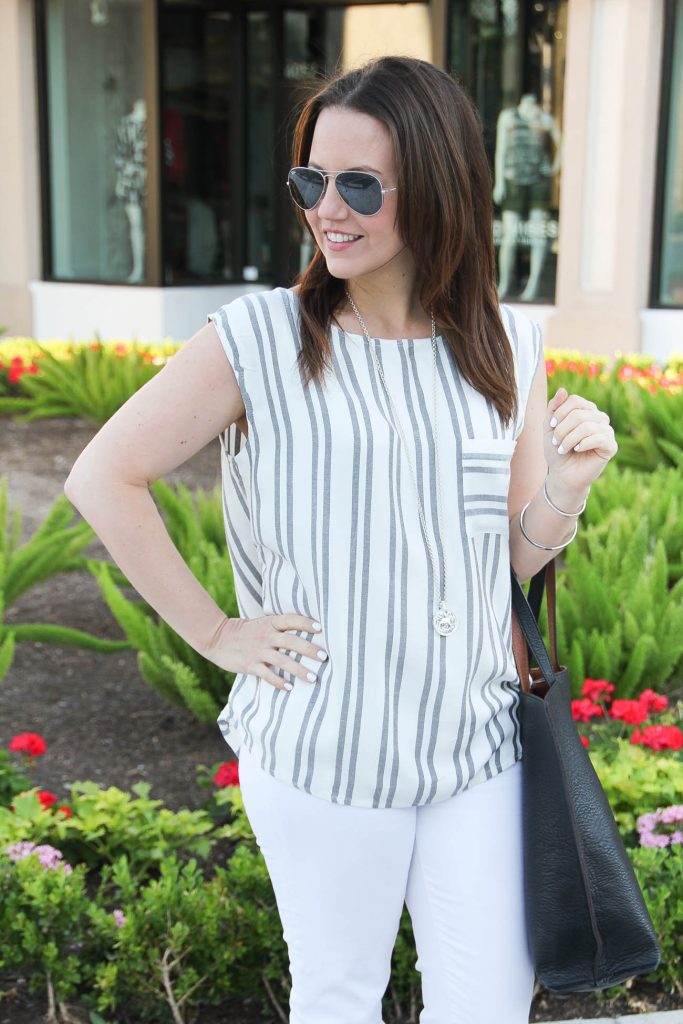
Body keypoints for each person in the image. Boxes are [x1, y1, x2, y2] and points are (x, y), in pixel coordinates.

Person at [64, 55, 618, 1024]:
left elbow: (508, 563)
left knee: (487, 1003)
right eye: (310, 179)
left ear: (440, 187)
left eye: (359, 183)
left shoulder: (503, 343)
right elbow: (102, 476)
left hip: (472, 746)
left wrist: (565, 489)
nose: (328, 206)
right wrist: (214, 632)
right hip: (326, 743)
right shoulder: (259, 337)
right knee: (338, 997)